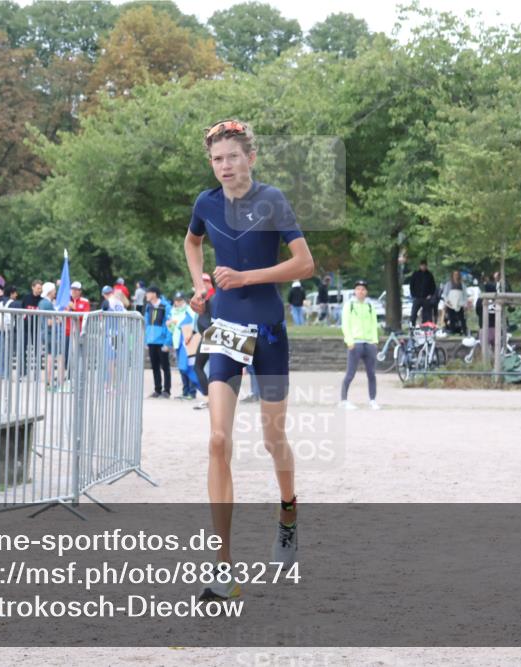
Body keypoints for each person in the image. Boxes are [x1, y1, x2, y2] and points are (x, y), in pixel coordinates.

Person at [184, 118, 314, 601]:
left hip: (269, 331)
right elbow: (192, 242)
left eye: (232, 157)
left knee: (271, 437)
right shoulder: (205, 203)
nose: (224, 166)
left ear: (250, 158)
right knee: (217, 440)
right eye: (217, 159)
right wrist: (202, 285)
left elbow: (304, 263)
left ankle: (288, 511)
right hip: (225, 331)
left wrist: (245, 277)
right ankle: (223, 568)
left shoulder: (272, 199)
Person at [339, 280, 380, 410]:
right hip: (355, 343)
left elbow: (374, 324)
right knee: (350, 373)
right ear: (355, 291)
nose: (360, 291)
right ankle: (343, 400)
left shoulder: (370, 306)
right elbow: (345, 324)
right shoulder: (349, 305)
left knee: (371, 374)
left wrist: (375, 341)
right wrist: (349, 341)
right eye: (358, 289)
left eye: (363, 289)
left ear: (366, 292)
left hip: (369, 343)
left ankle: (372, 400)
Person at [168, 291, 199, 400]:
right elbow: (173, 330)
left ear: (184, 300)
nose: (178, 302)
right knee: (181, 368)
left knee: (189, 367)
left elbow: (192, 323)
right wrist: (170, 325)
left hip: (187, 342)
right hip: (177, 342)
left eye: (180, 300)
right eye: (176, 300)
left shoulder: (189, 310)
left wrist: (176, 322)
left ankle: (192, 392)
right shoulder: (172, 311)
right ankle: (185, 391)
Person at [143, 286, 172, 398]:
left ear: (154, 294)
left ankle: (167, 390)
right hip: (151, 341)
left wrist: (167, 342)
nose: (146, 295)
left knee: (165, 366)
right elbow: (146, 324)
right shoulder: (148, 307)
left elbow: (170, 325)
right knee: (154, 366)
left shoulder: (166, 306)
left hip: (162, 341)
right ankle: (157, 389)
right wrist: (146, 340)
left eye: (148, 293)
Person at [408, 260, 437, 328]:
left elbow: (433, 286)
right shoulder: (415, 274)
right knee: (414, 313)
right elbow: (412, 285)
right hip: (417, 297)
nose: (423, 267)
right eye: (422, 265)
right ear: (420, 266)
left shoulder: (429, 275)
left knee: (427, 314)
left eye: (425, 266)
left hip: (426, 297)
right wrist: (413, 295)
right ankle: (412, 325)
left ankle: (426, 326)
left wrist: (430, 294)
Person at [441, 270, 468, 335]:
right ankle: (452, 331)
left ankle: (464, 331)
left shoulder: (462, 285)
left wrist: (464, 303)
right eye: (455, 274)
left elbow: (465, 295)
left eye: (457, 274)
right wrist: (447, 301)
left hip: (459, 304)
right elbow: (445, 294)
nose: (456, 276)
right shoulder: (448, 284)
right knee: (451, 318)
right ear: (452, 275)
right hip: (451, 304)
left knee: (462, 319)